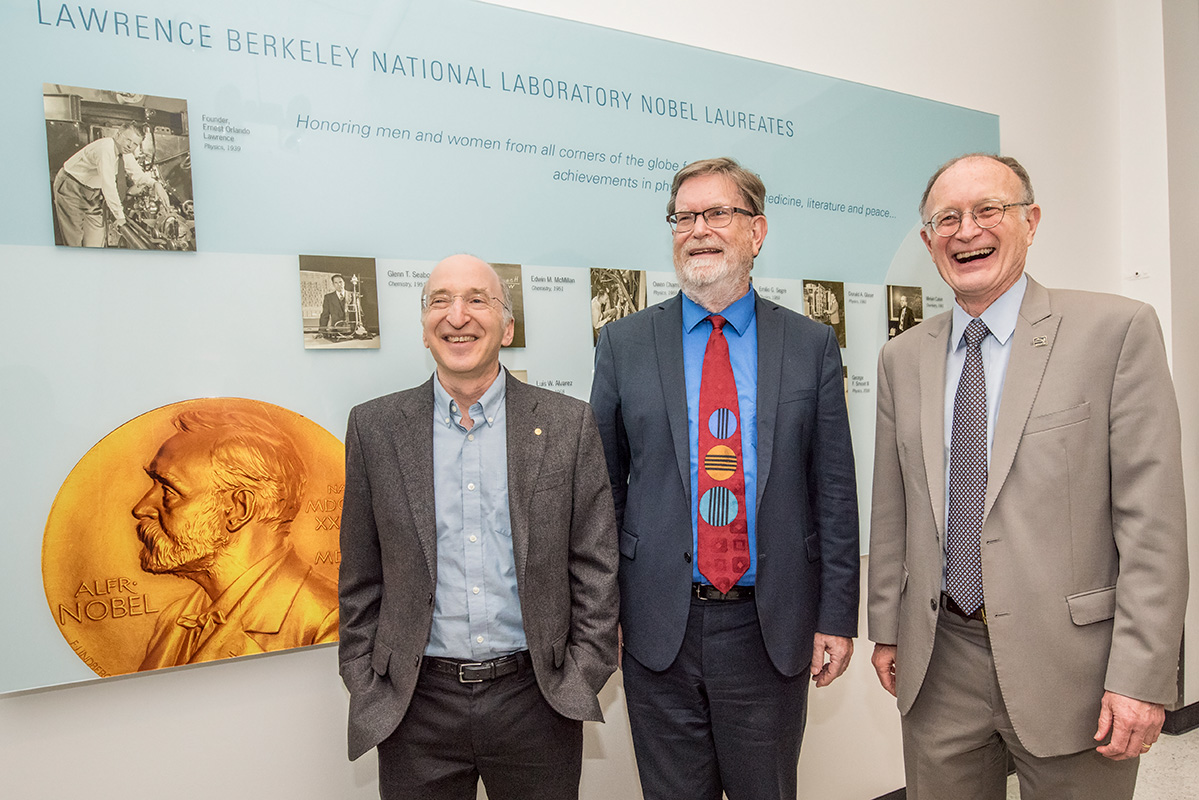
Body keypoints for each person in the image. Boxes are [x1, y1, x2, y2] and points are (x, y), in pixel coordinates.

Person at [868, 153, 1188, 799]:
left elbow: (1152, 526)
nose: (966, 231)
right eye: (946, 219)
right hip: (939, 660)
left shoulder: (1115, 331)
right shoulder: (902, 359)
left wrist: (1141, 675)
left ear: (1030, 221)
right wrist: (885, 629)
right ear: (928, 241)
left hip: (1075, 669)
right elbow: (892, 507)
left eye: (988, 210)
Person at [590, 157, 860, 800]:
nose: (698, 230)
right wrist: (605, 613)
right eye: (684, 217)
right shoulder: (624, 343)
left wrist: (836, 616)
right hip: (659, 625)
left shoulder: (810, 344)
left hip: (769, 627)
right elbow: (601, 492)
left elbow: (833, 492)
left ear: (756, 231)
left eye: (717, 213)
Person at [338, 254, 619, 800]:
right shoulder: (374, 428)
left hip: (537, 700)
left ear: (507, 327)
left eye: (476, 300)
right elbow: (360, 575)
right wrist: (365, 675)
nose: (457, 316)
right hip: (415, 706)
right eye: (439, 301)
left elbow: (595, 565)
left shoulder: (567, 424)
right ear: (424, 328)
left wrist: (582, 671)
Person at [132, 408, 339, 669]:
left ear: (238, 508)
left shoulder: (329, 621)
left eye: (169, 491)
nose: (141, 508)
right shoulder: (174, 619)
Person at [52, 122, 165, 247]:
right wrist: (119, 216)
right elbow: (108, 185)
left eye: (135, 144)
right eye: (128, 140)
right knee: (74, 240)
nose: (130, 146)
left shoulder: (125, 152)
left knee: (96, 241)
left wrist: (155, 184)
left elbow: (137, 174)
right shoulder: (105, 148)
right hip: (71, 187)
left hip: (92, 192)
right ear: (118, 135)